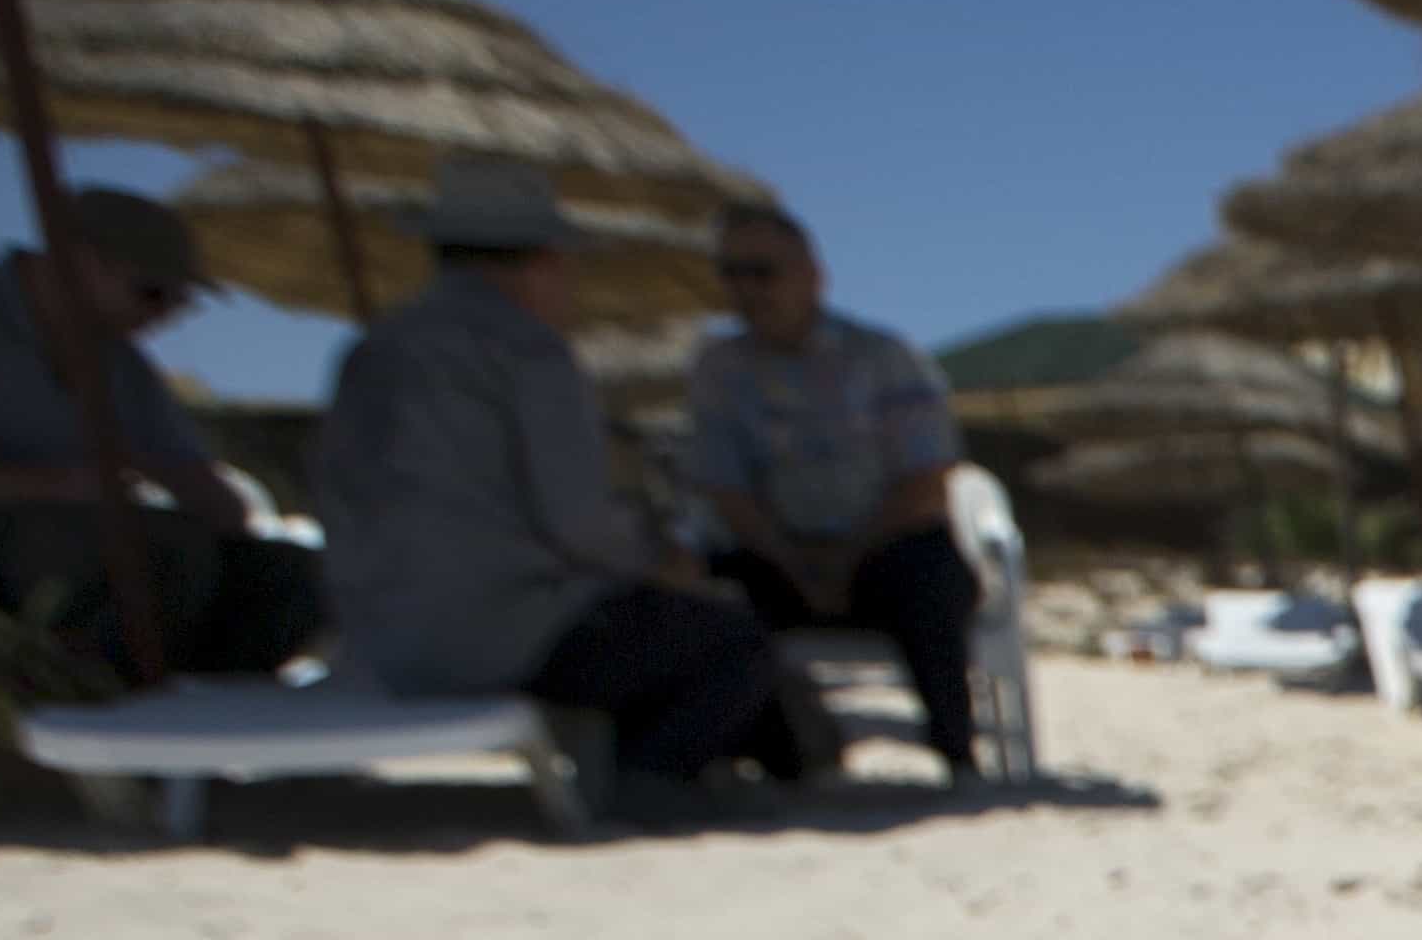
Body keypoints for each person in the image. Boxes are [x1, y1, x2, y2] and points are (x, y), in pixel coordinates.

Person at [312, 154, 786, 791]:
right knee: (734, 644)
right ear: (542, 262)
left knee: (660, 634)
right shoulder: (526, 350)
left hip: (380, 642)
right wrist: (657, 556)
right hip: (496, 636)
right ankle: (646, 788)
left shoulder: (371, 350)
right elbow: (577, 522)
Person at [0, 184, 324, 676]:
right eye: (152, 293)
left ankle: (215, 734)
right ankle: (84, 736)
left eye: (182, 302)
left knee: (292, 578)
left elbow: (213, 503)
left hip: (83, 556)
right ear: (79, 263)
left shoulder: (119, 363)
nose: (167, 316)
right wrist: (65, 485)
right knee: (149, 553)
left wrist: (208, 498)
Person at [682, 203, 984, 774]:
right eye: (732, 273)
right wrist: (795, 561)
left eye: (762, 272)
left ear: (813, 276)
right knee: (704, 598)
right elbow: (723, 487)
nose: (747, 288)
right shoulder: (717, 369)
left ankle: (956, 751)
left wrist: (844, 559)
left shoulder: (886, 358)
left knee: (931, 575)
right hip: (773, 553)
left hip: (883, 547)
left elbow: (926, 480)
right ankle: (762, 756)